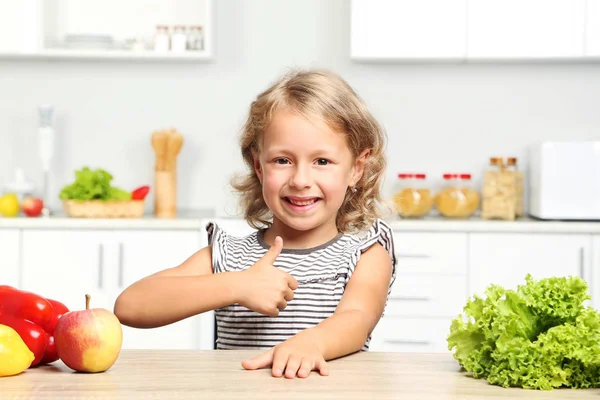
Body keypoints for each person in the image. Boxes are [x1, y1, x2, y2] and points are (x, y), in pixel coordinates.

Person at [114, 68, 397, 379]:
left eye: (322, 161)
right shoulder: (229, 257)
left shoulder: (365, 255)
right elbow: (130, 306)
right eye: (282, 160)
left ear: (356, 169)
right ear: (258, 166)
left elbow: (357, 318)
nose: (301, 180)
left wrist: (311, 344)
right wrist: (237, 284)